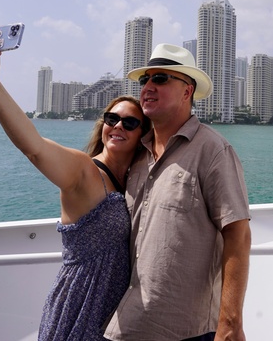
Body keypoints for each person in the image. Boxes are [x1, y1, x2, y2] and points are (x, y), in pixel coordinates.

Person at [0, 25, 149, 341]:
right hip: (78, 309)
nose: (118, 125)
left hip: (116, 317)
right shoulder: (84, 172)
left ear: (141, 135)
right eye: (111, 118)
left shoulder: (134, 182)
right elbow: (34, 147)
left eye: (130, 122)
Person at [104, 44, 251, 341]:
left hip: (185, 330)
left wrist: (230, 323)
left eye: (161, 79)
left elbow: (238, 234)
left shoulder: (213, 151)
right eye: (145, 80)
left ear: (187, 91)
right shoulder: (138, 152)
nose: (148, 87)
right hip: (125, 321)